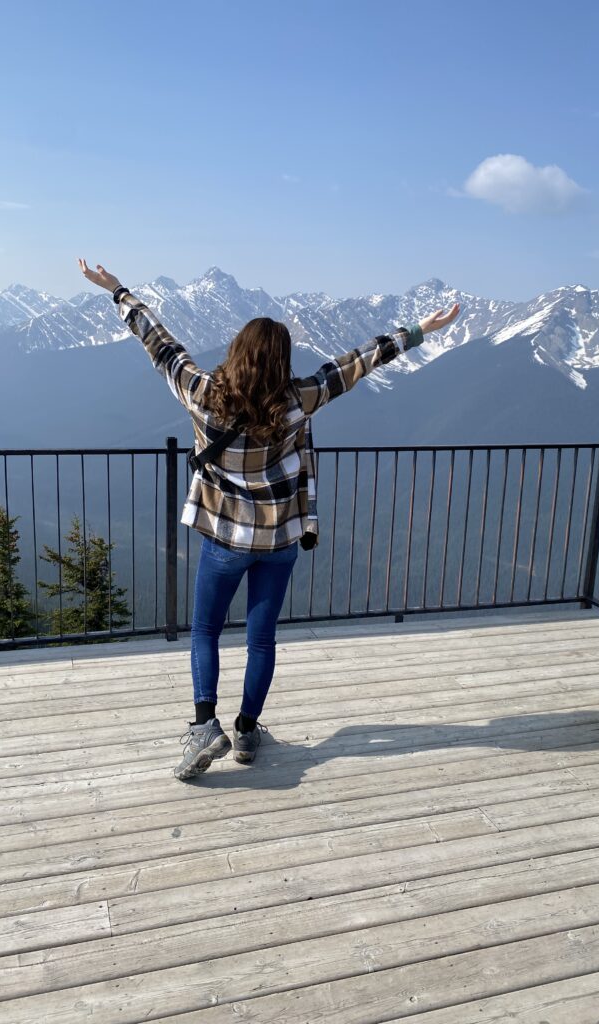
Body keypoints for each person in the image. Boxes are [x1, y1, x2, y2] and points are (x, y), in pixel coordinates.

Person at [78, 258, 460, 780]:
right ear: (281, 362)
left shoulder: (201, 395)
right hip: (279, 539)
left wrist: (118, 291)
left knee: (205, 631)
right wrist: (419, 331)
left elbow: (160, 345)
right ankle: (248, 729)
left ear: (236, 351)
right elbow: (358, 362)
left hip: (223, 540)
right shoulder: (298, 401)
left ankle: (204, 725)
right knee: (261, 639)